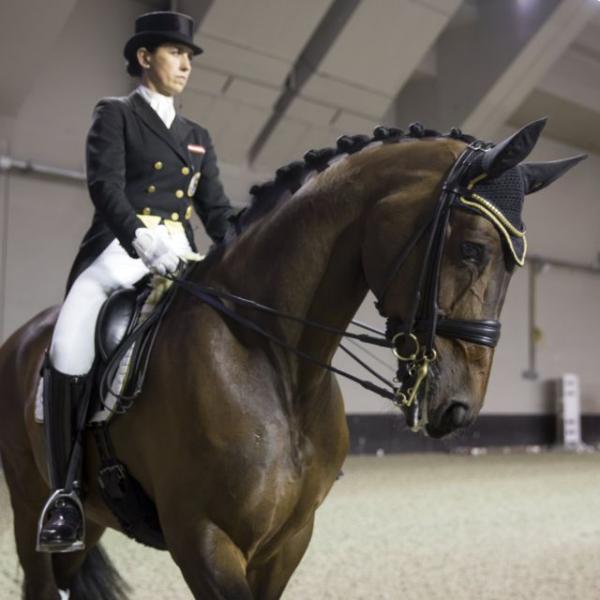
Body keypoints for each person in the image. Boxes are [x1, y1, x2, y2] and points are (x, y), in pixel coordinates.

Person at [37, 10, 234, 553]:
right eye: (175, 53)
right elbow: (105, 187)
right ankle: (65, 493)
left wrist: (249, 240)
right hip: (121, 249)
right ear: (145, 58)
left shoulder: (196, 136)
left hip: (181, 253)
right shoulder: (116, 114)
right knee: (69, 345)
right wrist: (141, 240)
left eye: (189, 56)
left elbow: (216, 212)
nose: (185, 65)